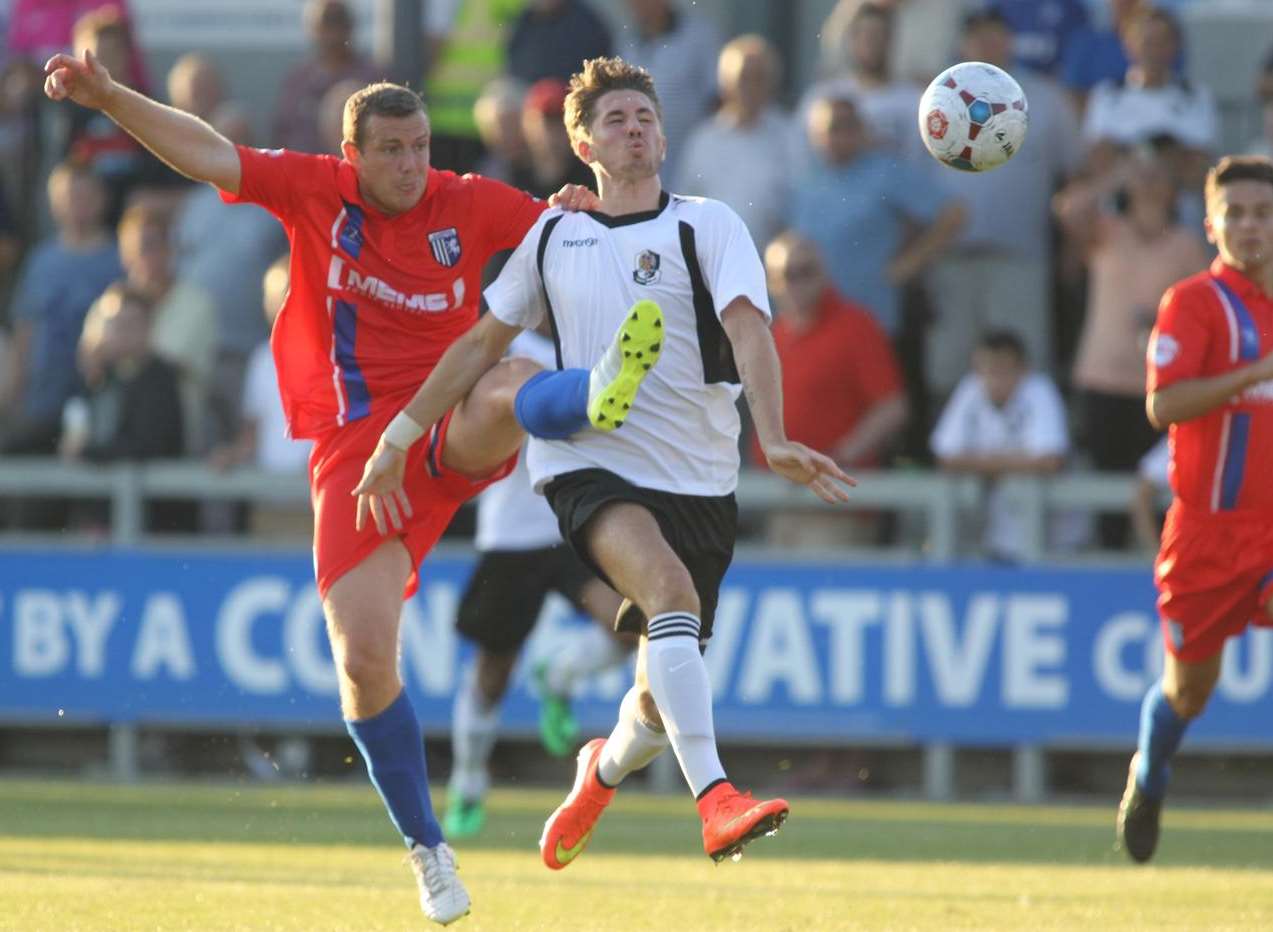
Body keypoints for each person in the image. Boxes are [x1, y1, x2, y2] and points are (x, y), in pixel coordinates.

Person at [44, 47, 601, 926]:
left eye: (418, 145)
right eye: (390, 150)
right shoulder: (314, 192)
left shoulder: (468, 200)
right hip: (357, 450)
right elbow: (203, 151)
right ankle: (428, 848)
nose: (411, 164)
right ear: (353, 155)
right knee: (364, 660)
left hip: (446, 418)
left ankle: (594, 398)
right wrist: (109, 95)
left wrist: (580, 204)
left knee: (506, 376)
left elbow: (587, 237)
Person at [352, 56, 854, 869]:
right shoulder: (554, 233)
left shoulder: (708, 223)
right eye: (616, 120)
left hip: (699, 473)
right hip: (586, 463)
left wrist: (774, 434)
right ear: (582, 142)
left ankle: (600, 769)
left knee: (656, 698)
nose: (635, 130)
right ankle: (717, 797)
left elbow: (748, 327)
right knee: (669, 592)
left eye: (645, 118)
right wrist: (401, 435)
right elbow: (481, 341)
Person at [1117, 155, 1273, 864]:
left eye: (1261, 212)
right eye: (1234, 213)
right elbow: (1162, 405)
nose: (1248, 225)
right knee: (1187, 692)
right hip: (1208, 534)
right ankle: (1148, 776)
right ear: (1209, 224)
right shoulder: (1194, 304)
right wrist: (1255, 373)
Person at [444, 328, 635, 840]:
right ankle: (467, 782)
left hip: (574, 526)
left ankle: (557, 675)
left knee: (629, 624)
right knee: (493, 669)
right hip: (511, 534)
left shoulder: (600, 339)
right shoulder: (504, 351)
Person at [930, 330, 1069, 562]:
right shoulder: (971, 388)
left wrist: (979, 462)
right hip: (995, 534)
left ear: (1022, 369)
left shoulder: (1039, 390)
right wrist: (1016, 462)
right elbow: (945, 457)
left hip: (1055, 539)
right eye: (985, 369)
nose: (993, 378)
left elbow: (1050, 460)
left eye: (1002, 369)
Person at [677, 35, 794, 250]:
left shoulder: (789, 137)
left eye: (759, 78)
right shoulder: (704, 141)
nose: (751, 87)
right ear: (726, 83)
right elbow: (684, 208)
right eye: (744, 77)